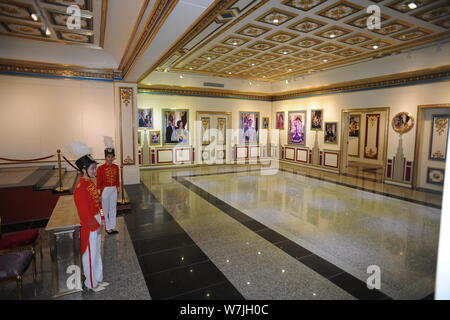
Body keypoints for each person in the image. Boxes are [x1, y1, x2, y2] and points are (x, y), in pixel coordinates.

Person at [71, 142, 109, 292]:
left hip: (97, 221)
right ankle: (91, 283)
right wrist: (95, 225)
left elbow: (98, 204)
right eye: (93, 168)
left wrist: (102, 218)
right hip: (90, 226)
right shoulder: (80, 188)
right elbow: (84, 213)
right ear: (84, 169)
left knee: (97, 252)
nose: (95, 171)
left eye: (95, 168)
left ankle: (98, 279)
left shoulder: (90, 183)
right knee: (90, 255)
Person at [96, 137, 120, 235]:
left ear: (114, 157)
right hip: (105, 190)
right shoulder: (100, 168)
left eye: (112, 157)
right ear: (105, 157)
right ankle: (107, 227)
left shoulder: (116, 167)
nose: (110, 158)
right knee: (105, 209)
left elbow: (117, 178)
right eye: (108, 156)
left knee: (113, 208)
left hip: (113, 189)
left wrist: (118, 187)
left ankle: (112, 226)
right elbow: (99, 181)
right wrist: (99, 192)